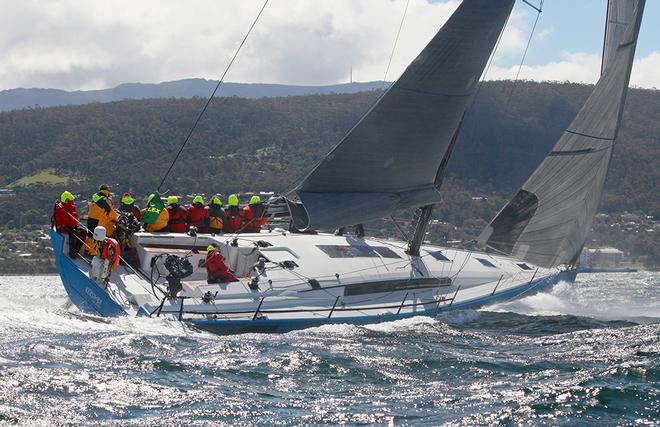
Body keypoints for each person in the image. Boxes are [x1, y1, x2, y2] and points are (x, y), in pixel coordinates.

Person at [85, 184, 119, 255]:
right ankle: (93, 253)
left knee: (90, 235)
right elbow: (110, 212)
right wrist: (117, 218)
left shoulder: (95, 198)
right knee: (97, 236)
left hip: (90, 218)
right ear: (107, 191)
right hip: (98, 220)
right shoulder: (106, 200)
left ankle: (87, 249)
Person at [52, 191, 84, 258]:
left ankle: (77, 250)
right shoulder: (61, 208)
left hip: (70, 225)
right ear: (67, 200)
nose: (72, 202)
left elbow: (75, 218)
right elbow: (69, 220)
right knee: (73, 233)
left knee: (84, 232)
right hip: (63, 227)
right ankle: (72, 253)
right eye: (71, 200)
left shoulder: (70, 207)